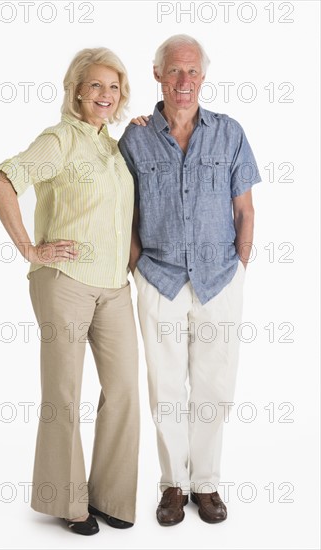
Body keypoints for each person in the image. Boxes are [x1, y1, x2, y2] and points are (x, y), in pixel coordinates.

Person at [0, 47, 139, 536]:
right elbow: (2, 181)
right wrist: (30, 249)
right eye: (95, 85)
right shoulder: (60, 140)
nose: (105, 95)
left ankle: (112, 497)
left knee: (123, 392)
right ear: (76, 89)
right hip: (65, 284)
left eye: (113, 87)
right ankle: (67, 502)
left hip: (114, 287)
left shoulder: (113, 148)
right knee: (64, 393)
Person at [119, 34, 261, 526]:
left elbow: (245, 210)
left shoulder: (230, 133)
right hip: (158, 277)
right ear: (157, 74)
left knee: (214, 386)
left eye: (193, 71)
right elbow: (125, 211)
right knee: (165, 389)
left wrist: (240, 268)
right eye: (174, 71)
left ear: (203, 76)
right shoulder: (134, 137)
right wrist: (136, 266)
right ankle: (172, 485)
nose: (184, 81)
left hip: (221, 278)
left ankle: (207, 484)